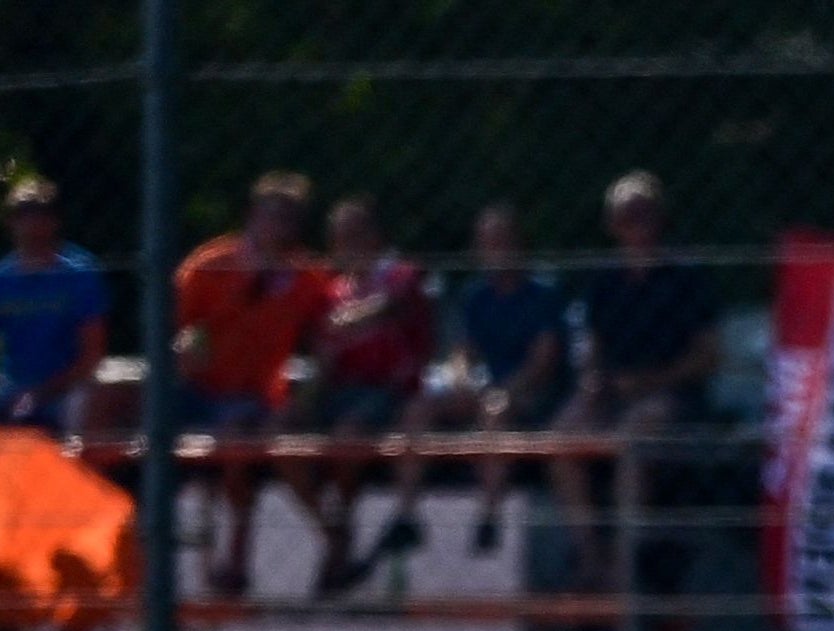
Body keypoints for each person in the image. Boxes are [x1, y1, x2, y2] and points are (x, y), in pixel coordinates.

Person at [367, 200, 562, 569]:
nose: (495, 249)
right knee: (419, 407)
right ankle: (406, 515)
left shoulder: (543, 293)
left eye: (503, 240)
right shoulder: (476, 295)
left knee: (494, 411)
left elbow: (543, 362)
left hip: (530, 395)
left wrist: (506, 391)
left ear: (519, 244)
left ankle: (488, 516)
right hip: (487, 390)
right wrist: (458, 378)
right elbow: (463, 353)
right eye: (488, 241)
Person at [172, 171, 333, 598]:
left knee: (243, 436)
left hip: (257, 398)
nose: (279, 226)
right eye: (271, 215)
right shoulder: (207, 266)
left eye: (289, 217)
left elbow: (327, 341)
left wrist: (308, 396)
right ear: (251, 217)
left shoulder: (307, 278)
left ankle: (239, 561)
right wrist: (190, 349)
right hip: (197, 391)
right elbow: (185, 334)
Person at [552, 172, 724, 559]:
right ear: (611, 225)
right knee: (564, 432)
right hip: (614, 391)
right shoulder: (602, 281)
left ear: (661, 219)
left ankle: (626, 562)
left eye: (644, 213)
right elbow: (591, 349)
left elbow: (708, 358)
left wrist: (649, 381)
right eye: (626, 216)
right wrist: (594, 382)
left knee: (634, 432)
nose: (636, 224)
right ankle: (590, 554)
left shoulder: (688, 277)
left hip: (674, 395)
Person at [300, 196, 434, 597]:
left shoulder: (400, 274)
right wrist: (304, 398)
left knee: (349, 431)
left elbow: (394, 306)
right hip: (339, 391)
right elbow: (323, 355)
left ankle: (341, 540)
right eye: (340, 236)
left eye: (356, 232)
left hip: (386, 392)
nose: (347, 242)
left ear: (376, 235)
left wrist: (356, 317)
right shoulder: (332, 289)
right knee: (282, 438)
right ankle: (335, 534)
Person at [0, 179, 110, 434]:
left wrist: (40, 393)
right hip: (15, 384)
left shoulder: (80, 273)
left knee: (83, 408)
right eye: (23, 215)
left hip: (69, 386)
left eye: (42, 215)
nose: (32, 224)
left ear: (56, 221)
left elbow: (91, 356)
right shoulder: (4, 278)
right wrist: (19, 391)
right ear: (10, 222)